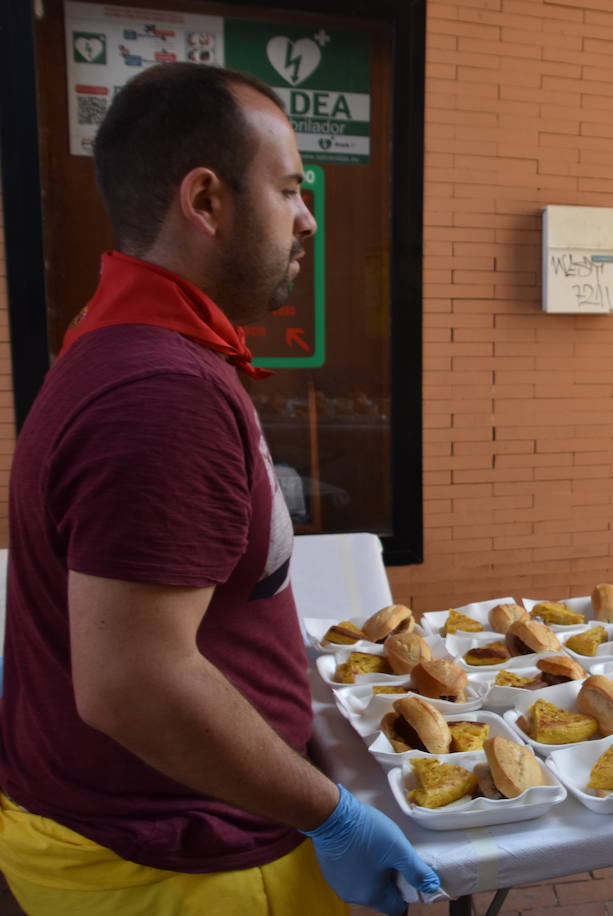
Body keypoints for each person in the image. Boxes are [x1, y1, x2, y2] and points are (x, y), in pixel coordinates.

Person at [0, 63, 439, 915]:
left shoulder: (123, 345)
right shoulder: (162, 391)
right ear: (206, 201)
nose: (308, 219)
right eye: (290, 189)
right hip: (176, 862)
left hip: (163, 838)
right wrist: (334, 816)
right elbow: (134, 682)